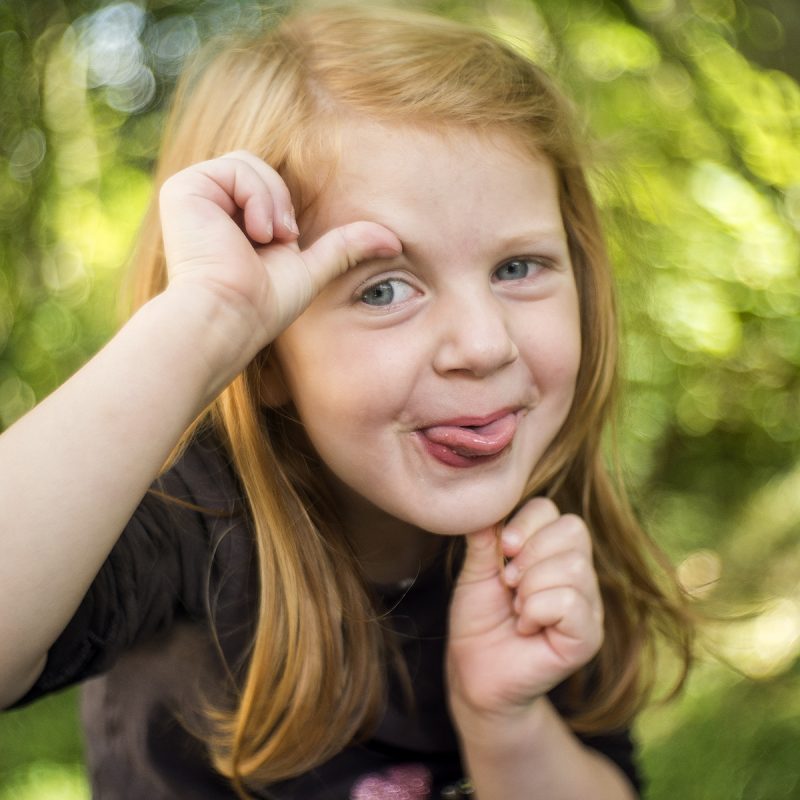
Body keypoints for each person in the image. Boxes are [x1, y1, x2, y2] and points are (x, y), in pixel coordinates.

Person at [0, 3, 693, 798]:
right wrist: (206, 322)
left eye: (517, 268)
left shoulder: (548, 527)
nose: (484, 344)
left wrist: (506, 721)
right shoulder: (195, 516)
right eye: (385, 288)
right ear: (262, 352)